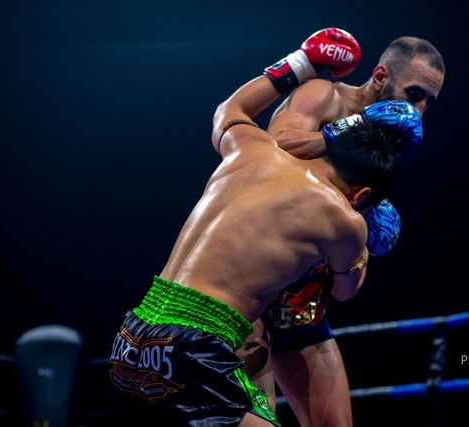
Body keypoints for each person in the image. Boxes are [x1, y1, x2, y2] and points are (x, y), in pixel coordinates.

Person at [106, 28, 420, 427]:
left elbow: (229, 109)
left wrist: (300, 64)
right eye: (415, 94)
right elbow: (346, 290)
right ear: (361, 196)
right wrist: (363, 239)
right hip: (209, 336)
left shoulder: (249, 148)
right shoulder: (343, 215)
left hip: (135, 332)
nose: (420, 107)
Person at [237, 34, 445, 427]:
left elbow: (346, 282)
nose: (417, 110)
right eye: (414, 94)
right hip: (256, 292)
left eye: (428, 102)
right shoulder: (325, 96)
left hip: (303, 306)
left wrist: (365, 237)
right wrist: (352, 127)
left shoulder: (391, 144)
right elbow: (274, 149)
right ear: (381, 76)